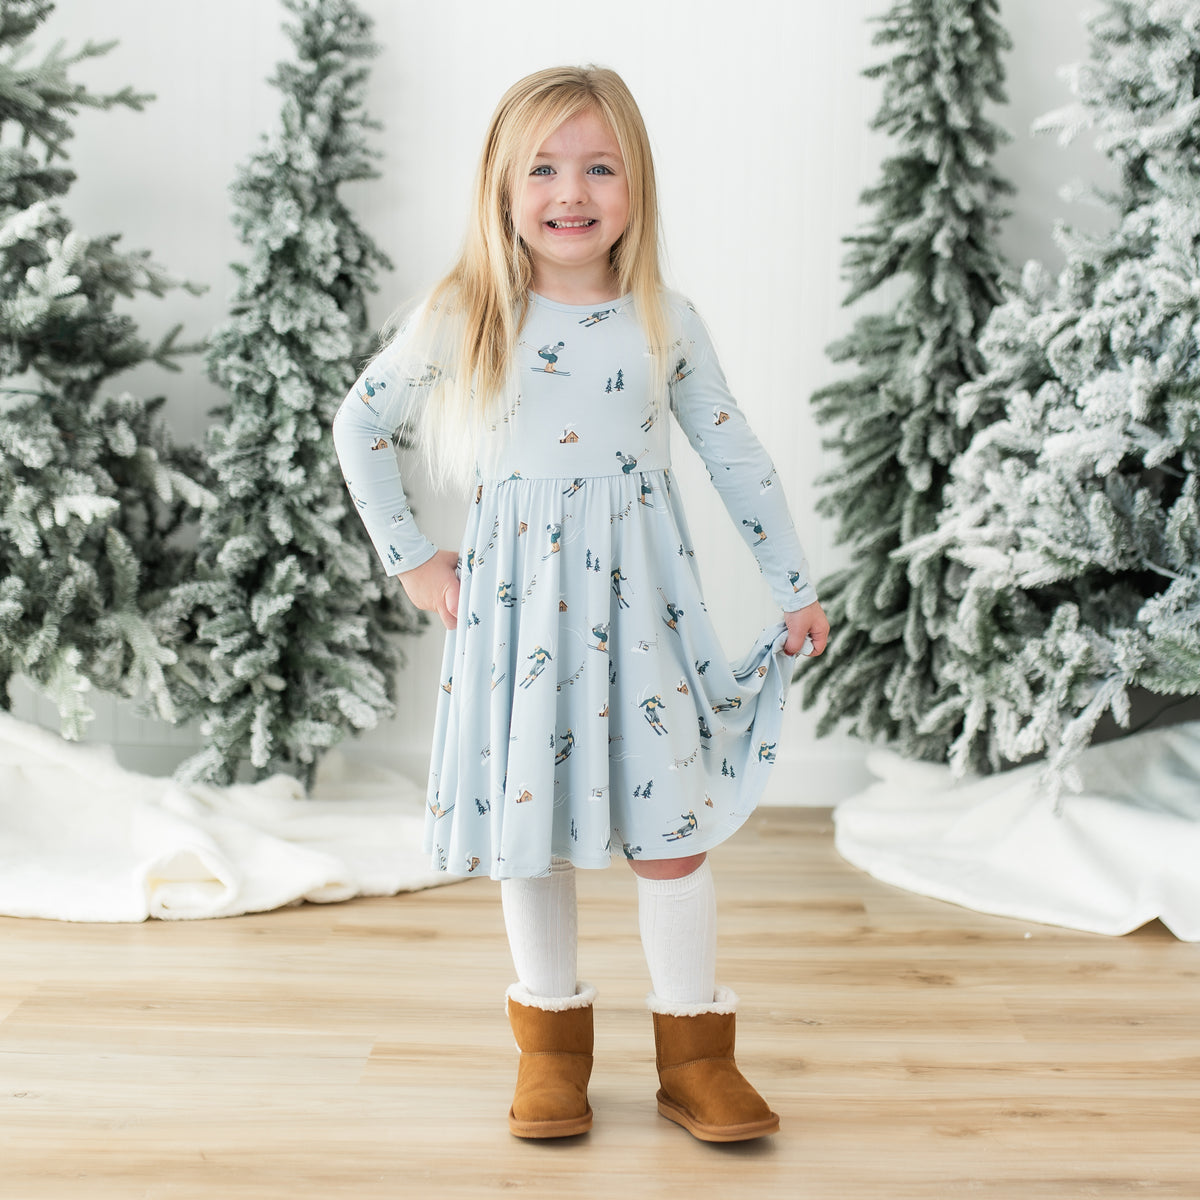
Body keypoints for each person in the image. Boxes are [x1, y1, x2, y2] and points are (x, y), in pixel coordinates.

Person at [332, 65, 830, 1144]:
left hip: (644, 616)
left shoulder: (664, 318)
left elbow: (733, 452)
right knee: (533, 836)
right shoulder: (470, 313)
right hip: (518, 624)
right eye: (545, 169)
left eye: (600, 166)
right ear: (501, 190)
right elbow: (359, 423)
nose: (573, 191)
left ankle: (695, 1057)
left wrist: (794, 583)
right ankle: (551, 1052)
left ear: (636, 186)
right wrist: (414, 557)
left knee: (672, 835)